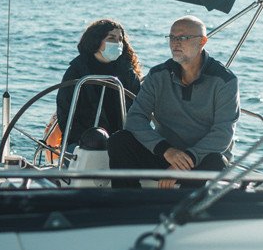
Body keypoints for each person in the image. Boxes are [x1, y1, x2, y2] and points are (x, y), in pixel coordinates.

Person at [107, 15, 239, 189]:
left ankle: (187, 213)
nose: (176, 43)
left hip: (199, 160)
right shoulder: (158, 75)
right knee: (120, 140)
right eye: (172, 37)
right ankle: (127, 203)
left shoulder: (224, 80)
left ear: (202, 42)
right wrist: (166, 151)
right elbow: (135, 119)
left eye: (183, 38)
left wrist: (186, 161)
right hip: (166, 153)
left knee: (215, 160)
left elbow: (222, 134)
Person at [55, 19, 143, 149]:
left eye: (120, 39)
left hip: (121, 141)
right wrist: (88, 141)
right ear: (95, 40)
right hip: (83, 142)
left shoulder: (127, 72)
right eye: (111, 38)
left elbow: (139, 109)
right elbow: (65, 114)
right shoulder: (76, 71)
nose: (118, 43)